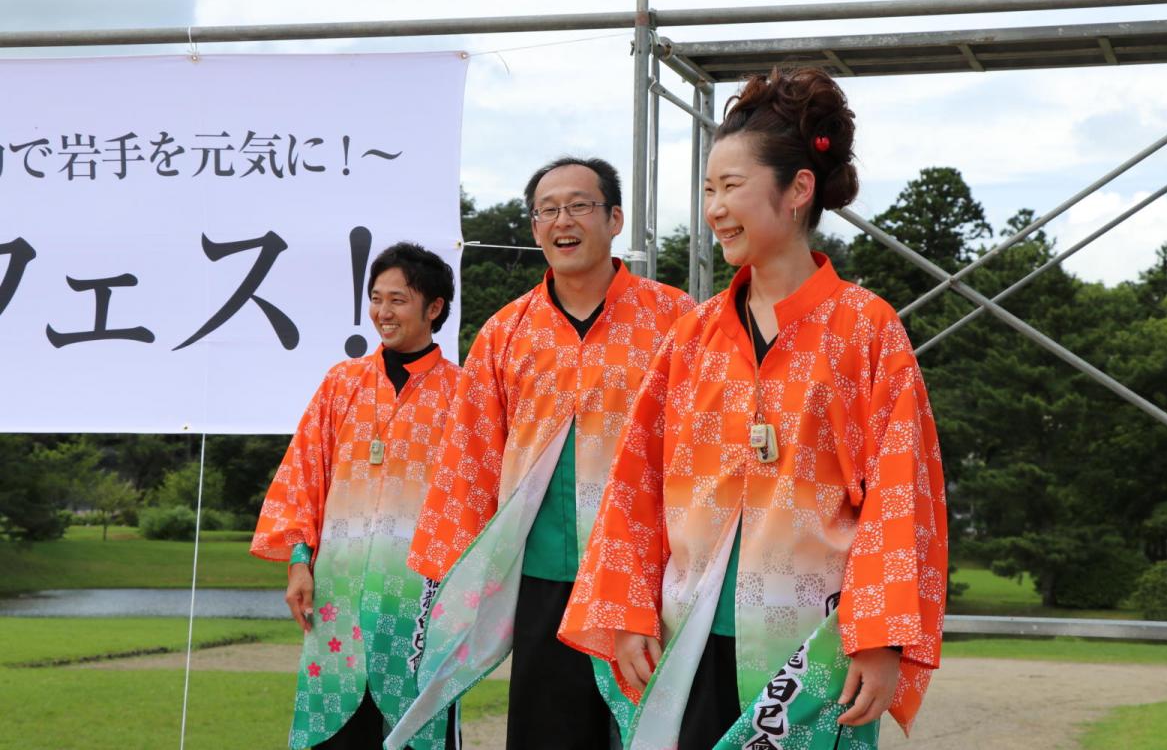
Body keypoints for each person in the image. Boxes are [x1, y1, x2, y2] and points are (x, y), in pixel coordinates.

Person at [559, 69, 948, 750]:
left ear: (797, 190)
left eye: (732, 187)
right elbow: (635, 483)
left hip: (816, 650)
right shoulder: (691, 336)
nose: (714, 207)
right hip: (690, 637)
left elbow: (900, 497)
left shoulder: (867, 329)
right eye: (708, 189)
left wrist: (882, 637)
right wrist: (625, 609)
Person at [386, 157, 695, 750]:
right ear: (533, 229)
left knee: (657, 733)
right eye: (547, 210)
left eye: (579, 205)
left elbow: (703, 449)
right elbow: (470, 460)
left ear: (615, 219)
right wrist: (444, 586)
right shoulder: (505, 333)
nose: (563, 220)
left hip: (648, 578)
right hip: (543, 579)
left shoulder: (676, 320)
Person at [250, 241, 461, 750]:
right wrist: (299, 560)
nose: (382, 313)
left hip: (420, 607)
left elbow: (474, 500)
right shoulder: (340, 383)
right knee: (334, 734)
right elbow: (304, 475)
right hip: (337, 602)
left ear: (434, 308)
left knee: (417, 732)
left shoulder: (463, 393)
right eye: (376, 299)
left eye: (398, 300)